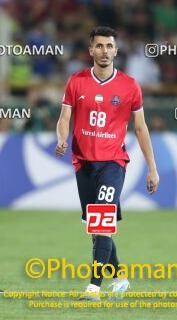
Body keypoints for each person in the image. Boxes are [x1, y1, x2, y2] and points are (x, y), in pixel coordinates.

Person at [55, 26, 159, 300]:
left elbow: (140, 128)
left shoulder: (129, 86)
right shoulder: (76, 81)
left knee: (102, 223)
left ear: (116, 50)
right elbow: (65, 118)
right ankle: (120, 278)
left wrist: (152, 168)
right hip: (83, 163)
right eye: (98, 46)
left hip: (113, 162)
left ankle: (93, 288)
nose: (104, 51)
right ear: (91, 50)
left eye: (109, 46)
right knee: (95, 228)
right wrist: (62, 139)